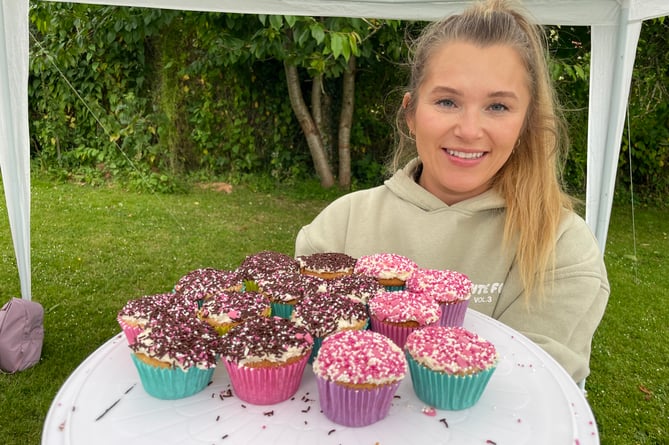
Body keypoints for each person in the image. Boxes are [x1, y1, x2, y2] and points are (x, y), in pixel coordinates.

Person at [294, 0, 609, 384]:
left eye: (497, 106)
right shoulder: (338, 227)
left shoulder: (560, 245)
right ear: (410, 114)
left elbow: (533, 389)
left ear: (525, 124)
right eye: (447, 101)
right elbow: (302, 370)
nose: (469, 130)